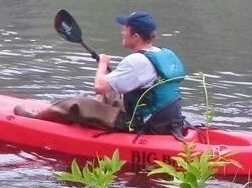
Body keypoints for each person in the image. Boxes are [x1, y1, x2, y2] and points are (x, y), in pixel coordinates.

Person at [16, 10, 188, 136]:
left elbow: (99, 87)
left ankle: (36, 117)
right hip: (167, 120)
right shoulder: (163, 53)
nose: (122, 31)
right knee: (112, 88)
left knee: (77, 103)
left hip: (141, 124)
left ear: (135, 36)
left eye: (125, 29)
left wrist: (102, 65)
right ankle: (92, 116)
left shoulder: (137, 61)